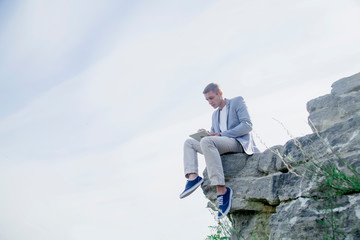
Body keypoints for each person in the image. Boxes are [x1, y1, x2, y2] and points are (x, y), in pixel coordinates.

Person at [179, 83, 260, 219]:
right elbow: (215, 136)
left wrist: (222, 135)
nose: (210, 102)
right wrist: (207, 133)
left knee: (206, 141)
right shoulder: (214, 115)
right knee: (189, 143)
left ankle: (222, 190)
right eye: (207, 100)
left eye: (211, 98)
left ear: (220, 93)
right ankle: (193, 177)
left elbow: (247, 125)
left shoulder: (237, 101)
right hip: (221, 144)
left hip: (238, 143)